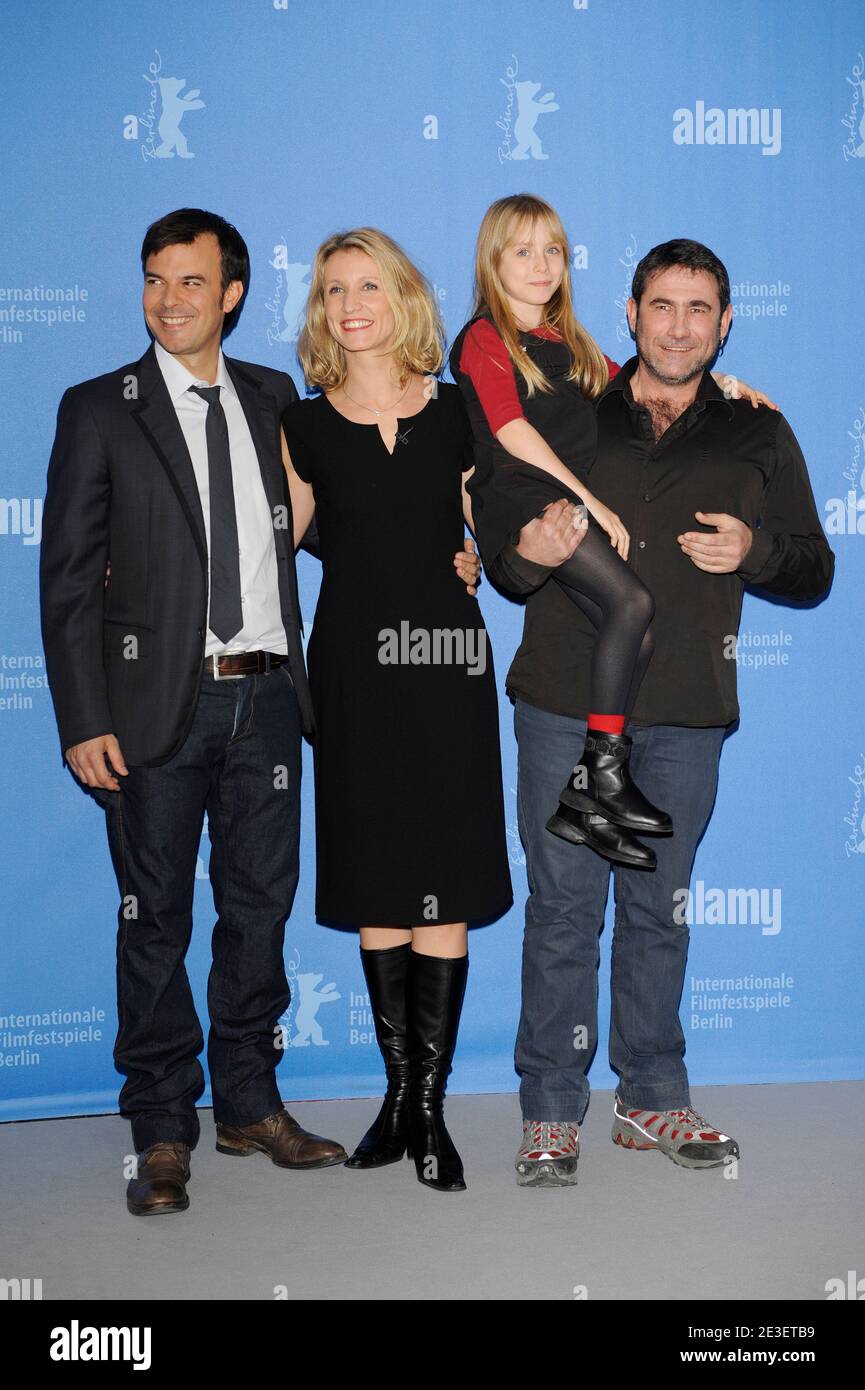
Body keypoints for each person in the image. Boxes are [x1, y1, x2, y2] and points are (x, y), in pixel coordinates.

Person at [484, 238, 834, 1187]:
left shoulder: (758, 430)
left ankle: (649, 1098)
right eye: (661, 306)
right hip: (562, 701)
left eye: (699, 309)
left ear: (724, 324)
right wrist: (531, 551)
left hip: (684, 710)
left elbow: (815, 569)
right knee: (562, 911)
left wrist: (755, 552)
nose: (678, 326)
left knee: (657, 912)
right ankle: (551, 1112)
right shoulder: (567, 411)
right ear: (630, 313)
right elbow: (508, 555)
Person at [39, 207, 352, 1215]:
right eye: (152, 280)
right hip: (148, 710)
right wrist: (84, 716)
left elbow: (342, 510)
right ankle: (161, 1125)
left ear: (231, 294)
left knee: (258, 910)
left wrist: (449, 549)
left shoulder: (273, 399)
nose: (167, 301)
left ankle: (250, 1101)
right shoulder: (98, 409)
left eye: (189, 283)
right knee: (155, 919)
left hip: (267, 698)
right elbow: (69, 581)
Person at [281, 227, 512, 1193]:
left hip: (447, 666)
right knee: (380, 882)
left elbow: (500, 528)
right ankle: (397, 1100)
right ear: (320, 310)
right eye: (333, 288)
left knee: (443, 881)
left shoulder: (458, 412)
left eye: (368, 284)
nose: (350, 303)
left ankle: (431, 1109)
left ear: (402, 297)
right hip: (353, 674)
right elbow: (267, 556)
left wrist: (483, 560)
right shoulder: (300, 427)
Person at [451, 194, 771, 872]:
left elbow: (631, 378)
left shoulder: (564, 338)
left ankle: (584, 796)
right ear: (492, 261)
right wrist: (590, 500)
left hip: (555, 496)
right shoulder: (484, 337)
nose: (541, 266)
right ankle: (601, 777)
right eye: (522, 251)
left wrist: (726, 382)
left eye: (552, 252)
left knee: (639, 628)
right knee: (632, 604)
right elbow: (511, 432)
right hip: (523, 500)